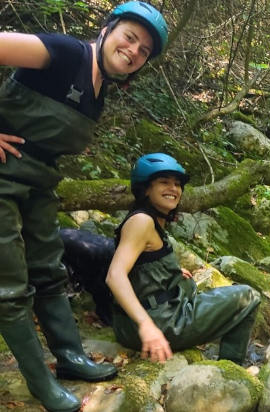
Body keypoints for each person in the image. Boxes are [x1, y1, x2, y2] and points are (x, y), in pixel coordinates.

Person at [0, 3, 168, 411]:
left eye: (143, 50)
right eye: (130, 37)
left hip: (39, 184)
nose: (133, 51)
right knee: (10, 287)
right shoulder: (65, 53)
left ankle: (71, 357)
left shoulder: (99, 91)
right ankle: (40, 382)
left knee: (48, 271)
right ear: (108, 29)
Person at [106, 153, 262, 366]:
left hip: (137, 322)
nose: (173, 189)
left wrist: (171, 272)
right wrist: (146, 326)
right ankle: (229, 368)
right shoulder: (142, 221)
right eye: (164, 182)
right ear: (145, 189)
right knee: (249, 295)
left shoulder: (152, 219)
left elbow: (143, 263)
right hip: (158, 323)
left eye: (177, 184)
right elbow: (115, 275)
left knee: (187, 284)